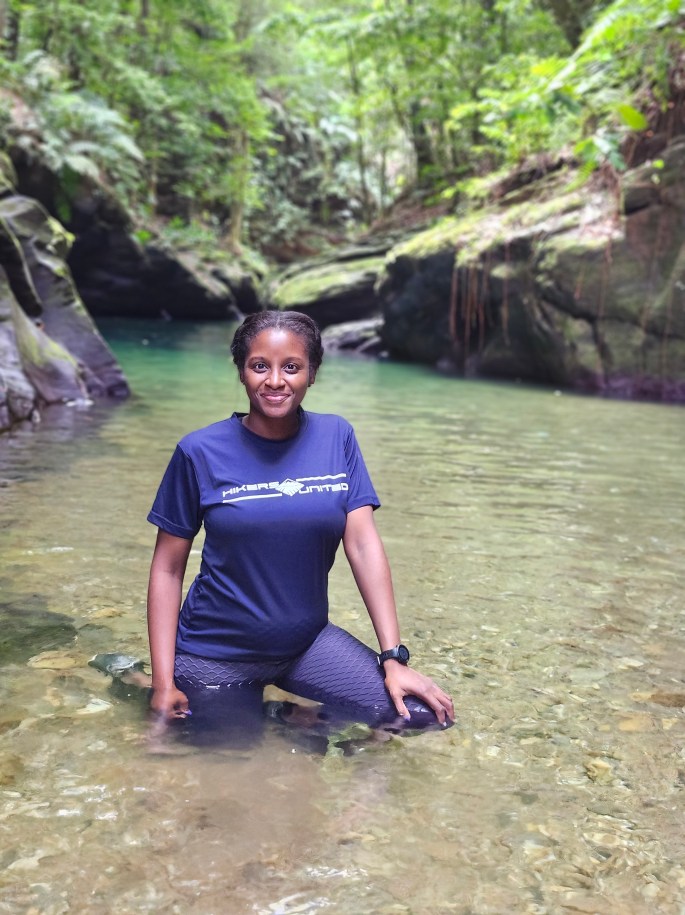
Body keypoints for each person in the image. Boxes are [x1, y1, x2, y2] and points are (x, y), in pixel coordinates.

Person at [146, 310, 454, 745]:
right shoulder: (198, 451)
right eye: (260, 366)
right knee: (236, 763)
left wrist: (393, 658)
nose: (275, 381)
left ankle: (291, 717)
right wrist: (163, 683)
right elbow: (167, 569)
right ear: (241, 371)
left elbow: (363, 545)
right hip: (216, 654)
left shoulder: (336, 437)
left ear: (312, 373)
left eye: (291, 367)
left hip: (306, 647)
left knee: (422, 715)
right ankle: (168, 688)